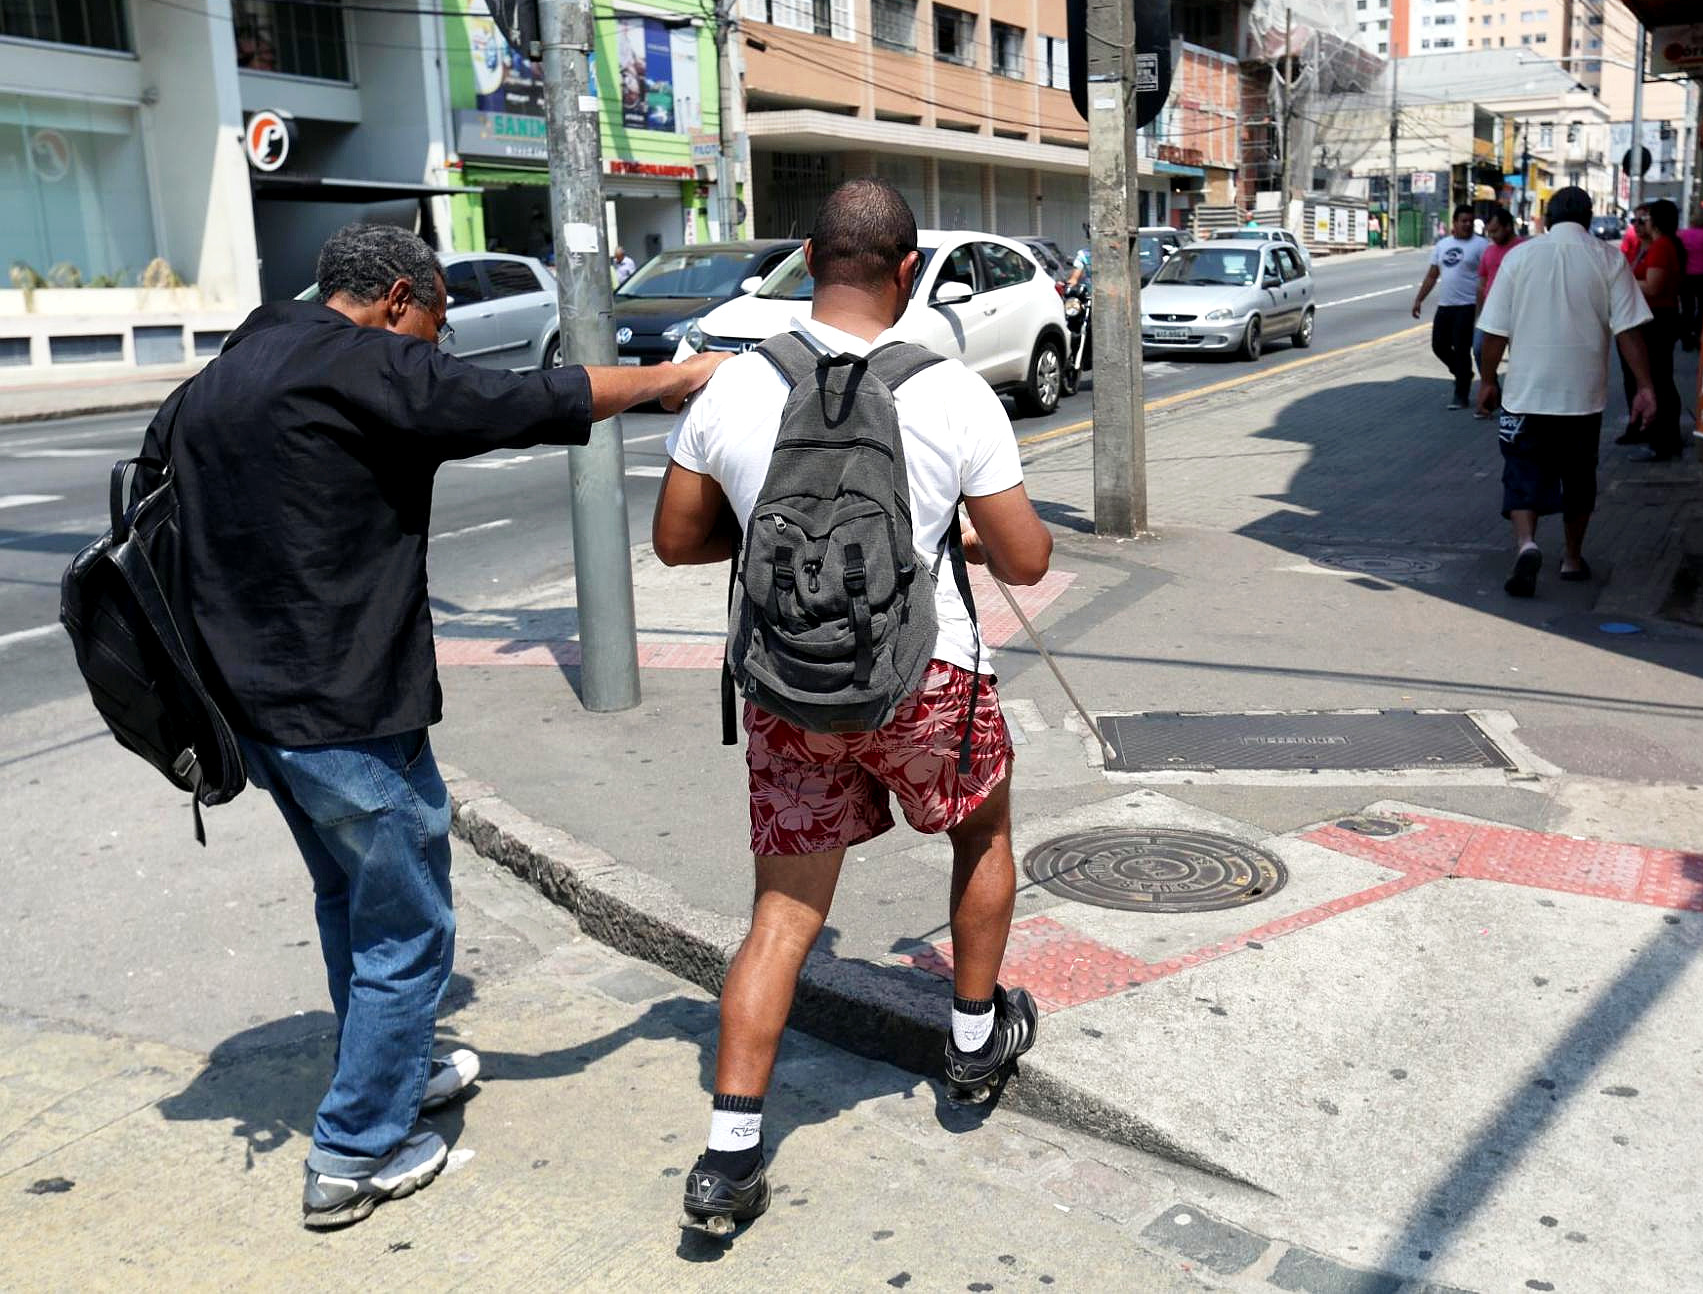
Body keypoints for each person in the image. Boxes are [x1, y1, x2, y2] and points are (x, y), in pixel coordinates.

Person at [143, 223, 725, 1229]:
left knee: (350, 903)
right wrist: (673, 381)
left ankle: (392, 1072)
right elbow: (517, 400)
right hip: (342, 710)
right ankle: (356, 1149)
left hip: (247, 709)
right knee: (409, 926)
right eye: (437, 327)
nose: (437, 349)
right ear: (400, 299)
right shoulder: (360, 364)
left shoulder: (227, 371)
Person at [655, 178, 1053, 1231]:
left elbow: (676, 538)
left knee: (782, 914)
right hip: (928, 682)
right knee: (981, 834)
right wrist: (947, 531)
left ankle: (728, 1159)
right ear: (907, 270)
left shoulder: (736, 385)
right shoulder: (951, 389)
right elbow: (1026, 555)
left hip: (789, 688)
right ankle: (972, 1046)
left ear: (807, 260)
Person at [1474, 187, 1658, 598]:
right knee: (1578, 478)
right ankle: (1572, 559)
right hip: (1583, 398)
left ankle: (1527, 544)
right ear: (1590, 219)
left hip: (1525, 394)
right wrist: (1645, 386)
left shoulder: (1519, 257)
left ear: (1546, 218)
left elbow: (1493, 332)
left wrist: (1487, 381)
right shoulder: (1610, 258)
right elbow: (1628, 330)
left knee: (1522, 472)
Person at [1615, 198, 1687, 460]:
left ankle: (1666, 439)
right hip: (1651, 317)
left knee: (1659, 379)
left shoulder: (1662, 246)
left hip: (1658, 317)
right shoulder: (1653, 246)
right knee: (1656, 377)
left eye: (1644, 219)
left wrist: (1626, 282)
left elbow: (1654, 285)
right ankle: (1656, 432)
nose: (1640, 223)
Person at [1411, 204, 1489, 408]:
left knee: (1462, 349)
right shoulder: (1443, 245)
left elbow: (1488, 276)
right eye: (1463, 221)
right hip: (1446, 306)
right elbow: (1432, 275)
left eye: (1470, 221)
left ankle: (1461, 395)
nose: (1467, 224)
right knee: (1439, 346)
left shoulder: (1481, 245)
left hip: (1468, 305)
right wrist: (1419, 299)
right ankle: (1463, 373)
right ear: (1454, 223)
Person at [1470, 209, 1521, 400]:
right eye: (1489, 232)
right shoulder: (1489, 251)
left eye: (1496, 231)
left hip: (1517, 313)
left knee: (1518, 357)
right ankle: (1491, 389)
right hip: (1492, 312)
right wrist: (1479, 315)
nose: (1492, 236)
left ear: (1508, 227)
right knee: (1479, 349)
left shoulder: (1523, 249)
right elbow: (1482, 284)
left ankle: (1515, 396)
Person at [1678, 208, 1703, 351]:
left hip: (1686, 276)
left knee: (1687, 308)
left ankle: (1686, 339)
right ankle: (1699, 334)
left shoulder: (1682, 235)